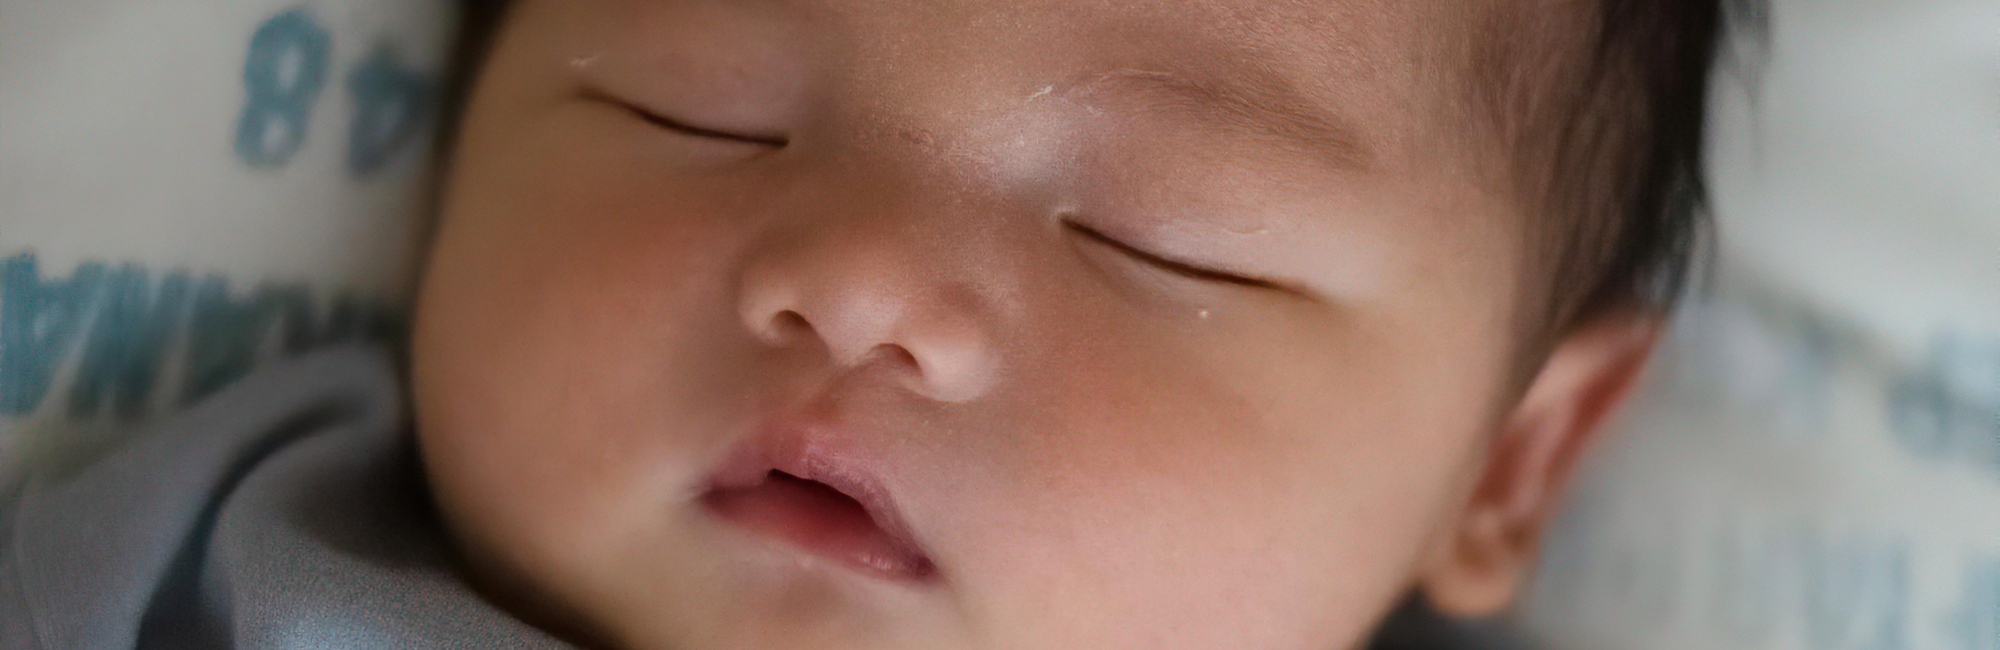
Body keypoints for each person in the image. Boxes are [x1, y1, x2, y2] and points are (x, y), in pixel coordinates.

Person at [0, 0, 1756, 648]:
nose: (856, 283)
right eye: (701, 112)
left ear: (1509, 463)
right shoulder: (200, 571)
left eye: (1160, 239)